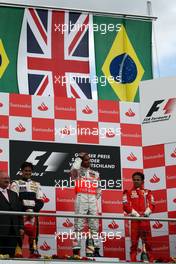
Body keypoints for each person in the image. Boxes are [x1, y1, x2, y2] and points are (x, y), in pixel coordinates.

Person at [10, 162, 44, 257]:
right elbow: (14, 200)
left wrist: (32, 209)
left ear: (32, 172)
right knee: (19, 235)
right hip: (21, 215)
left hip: (33, 215)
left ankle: (34, 253)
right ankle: (17, 254)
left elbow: (40, 201)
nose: (27, 172)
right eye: (25, 170)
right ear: (21, 171)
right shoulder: (15, 183)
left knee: (33, 237)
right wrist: (26, 208)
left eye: (29, 171)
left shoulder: (36, 184)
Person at [70, 152, 101, 257]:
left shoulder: (95, 173)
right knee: (78, 226)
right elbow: (73, 169)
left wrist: (94, 197)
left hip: (92, 199)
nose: (88, 161)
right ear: (82, 161)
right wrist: (79, 157)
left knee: (94, 226)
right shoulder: (77, 172)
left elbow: (98, 189)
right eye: (86, 160)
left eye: (89, 160)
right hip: (81, 198)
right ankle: (76, 251)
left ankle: (95, 250)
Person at [123, 171, 155, 262]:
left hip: (145, 220)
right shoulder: (128, 192)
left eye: (138, 180)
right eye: (134, 180)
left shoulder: (148, 192)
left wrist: (146, 213)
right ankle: (133, 261)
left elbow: (152, 204)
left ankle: (150, 261)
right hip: (135, 221)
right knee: (134, 243)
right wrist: (136, 214)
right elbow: (125, 205)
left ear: (142, 181)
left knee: (148, 243)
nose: (136, 181)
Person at [0, 170, 24, 257]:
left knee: (10, 257)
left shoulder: (14, 194)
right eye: (4, 178)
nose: (7, 180)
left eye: (8, 178)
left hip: (13, 232)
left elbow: (19, 212)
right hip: (1, 231)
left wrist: (21, 227)